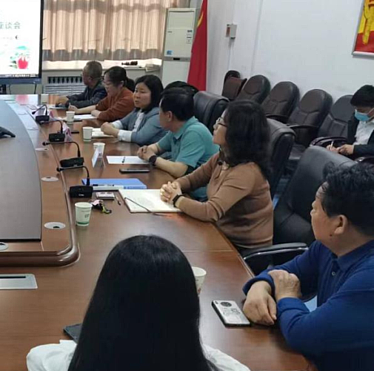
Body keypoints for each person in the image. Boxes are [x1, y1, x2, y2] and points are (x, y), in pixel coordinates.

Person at [27, 235, 250, 371]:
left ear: (104, 304)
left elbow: (36, 355)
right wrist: (184, 340)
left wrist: (91, 340)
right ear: (188, 309)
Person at [241, 164, 374, 371]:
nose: (310, 212)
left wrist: (286, 296)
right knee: (289, 365)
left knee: (294, 349)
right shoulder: (330, 246)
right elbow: (285, 272)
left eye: (315, 207)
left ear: (339, 224)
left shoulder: (369, 277)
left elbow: (304, 333)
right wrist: (259, 286)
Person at [160, 100, 274, 250]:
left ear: (237, 132)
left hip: (240, 249)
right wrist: (175, 185)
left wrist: (176, 199)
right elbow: (193, 179)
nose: (214, 126)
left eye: (220, 123)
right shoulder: (223, 156)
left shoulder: (246, 172)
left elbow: (210, 212)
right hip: (218, 233)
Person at [138, 88, 219, 200]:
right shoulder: (177, 128)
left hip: (197, 197)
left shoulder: (194, 132)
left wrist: (153, 158)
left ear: (169, 116)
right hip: (180, 187)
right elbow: (158, 147)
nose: (158, 116)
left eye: (160, 112)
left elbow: (179, 170)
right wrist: (146, 150)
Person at [98, 74, 165, 146]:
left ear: (154, 95)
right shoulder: (138, 110)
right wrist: (111, 125)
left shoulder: (158, 115)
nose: (137, 95)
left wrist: (114, 131)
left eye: (142, 92)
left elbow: (140, 138)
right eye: (136, 91)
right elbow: (122, 123)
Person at [327, 85, 374, 158]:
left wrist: (355, 149)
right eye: (356, 109)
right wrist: (337, 149)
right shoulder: (356, 118)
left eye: (361, 110)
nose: (357, 112)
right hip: (350, 157)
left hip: (367, 160)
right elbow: (349, 142)